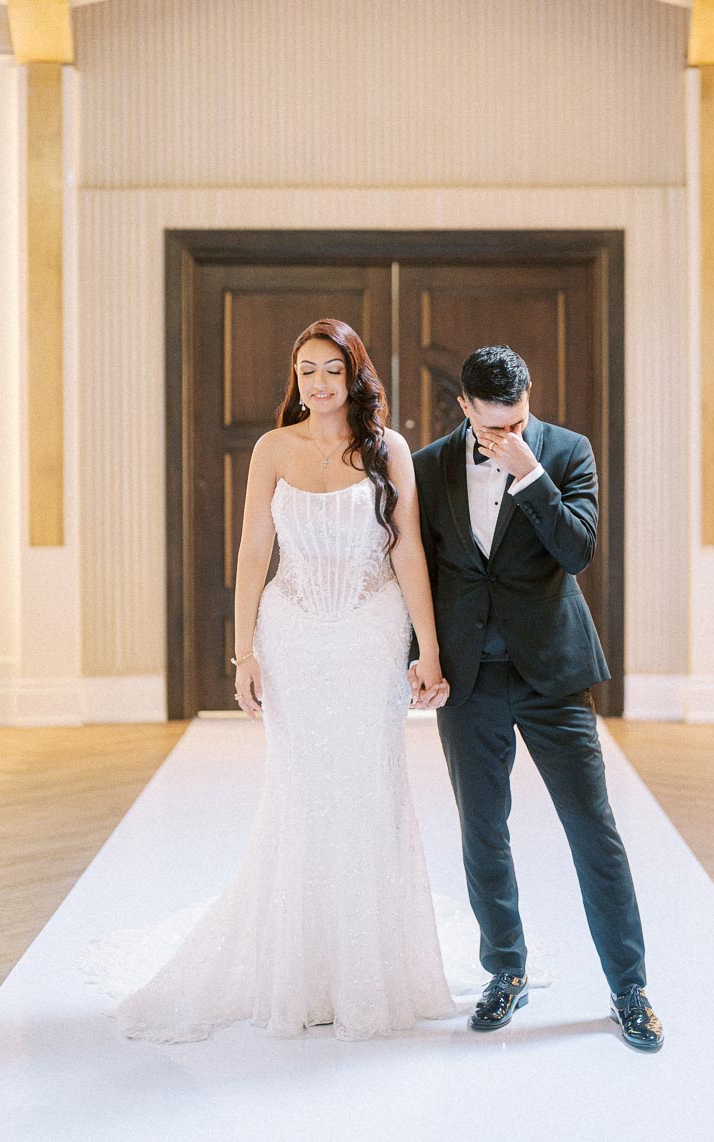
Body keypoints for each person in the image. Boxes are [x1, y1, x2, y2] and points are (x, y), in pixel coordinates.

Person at [81, 318, 455, 1042]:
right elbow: (254, 548)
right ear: (296, 378)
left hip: (369, 634)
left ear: (355, 377)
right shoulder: (272, 449)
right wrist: (242, 650)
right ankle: (300, 969)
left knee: (369, 787)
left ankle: (368, 972)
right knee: (301, 787)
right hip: (293, 634)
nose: (317, 383)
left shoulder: (390, 451)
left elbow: (408, 551)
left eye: (331, 371)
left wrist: (427, 649)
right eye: (306, 369)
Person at [408, 345, 664, 1051]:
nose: (507, 436)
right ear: (463, 407)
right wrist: (420, 656)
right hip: (469, 678)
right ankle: (506, 972)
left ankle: (629, 988)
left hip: (553, 673)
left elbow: (578, 550)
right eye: (493, 427)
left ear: (528, 401)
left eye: (516, 422)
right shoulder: (428, 467)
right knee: (483, 831)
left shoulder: (566, 452)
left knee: (594, 829)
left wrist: (530, 476)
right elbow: (416, 570)